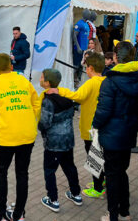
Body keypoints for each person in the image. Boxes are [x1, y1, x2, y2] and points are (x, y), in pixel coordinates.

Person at [93, 41, 138, 221]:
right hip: (128, 132)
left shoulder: (110, 81)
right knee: (121, 171)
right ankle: (125, 211)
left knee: (113, 174)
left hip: (111, 134)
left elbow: (103, 110)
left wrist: (95, 125)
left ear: (116, 57)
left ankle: (113, 214)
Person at [0, 53, 40, 221]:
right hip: (28, 134)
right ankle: (19, 215)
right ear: (11, 66)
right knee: (22, 173)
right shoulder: (23, 79)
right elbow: (36, 102)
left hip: (8, 136)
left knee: (0, 172)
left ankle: (0, 214)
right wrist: (31, 119)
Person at [48, 53, 107, 199]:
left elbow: (77, 96)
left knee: (94, 158)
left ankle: (98, 188)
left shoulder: (91, 82)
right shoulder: (105, 80)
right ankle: (102, 181)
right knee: (99, 156)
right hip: (101, 126)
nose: (85, 70)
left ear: (91, 68)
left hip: (91, 128)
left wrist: (60, 90)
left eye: (86, 67)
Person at [38, 68, 82, 213]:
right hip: (68, 140)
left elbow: (45, 123)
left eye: (42, 77)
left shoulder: (47, 102)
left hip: (54, 144)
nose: (40, 79)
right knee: (70, 167)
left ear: (47, 82)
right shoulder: (67, 99)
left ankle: (53, 199)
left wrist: (39, 127)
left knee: (50, 170)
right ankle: (76, 194)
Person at [72, 10, 91, 86]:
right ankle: (72, 80)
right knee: (75, 65)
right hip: (79, 49)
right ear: (84, 14)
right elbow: (74, 35)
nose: (89, 16)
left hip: (84, 49)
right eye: (88, 14)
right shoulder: (79, 24)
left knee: (82, 65)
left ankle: (78, 81)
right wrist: (78, 47)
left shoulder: (86, 24)